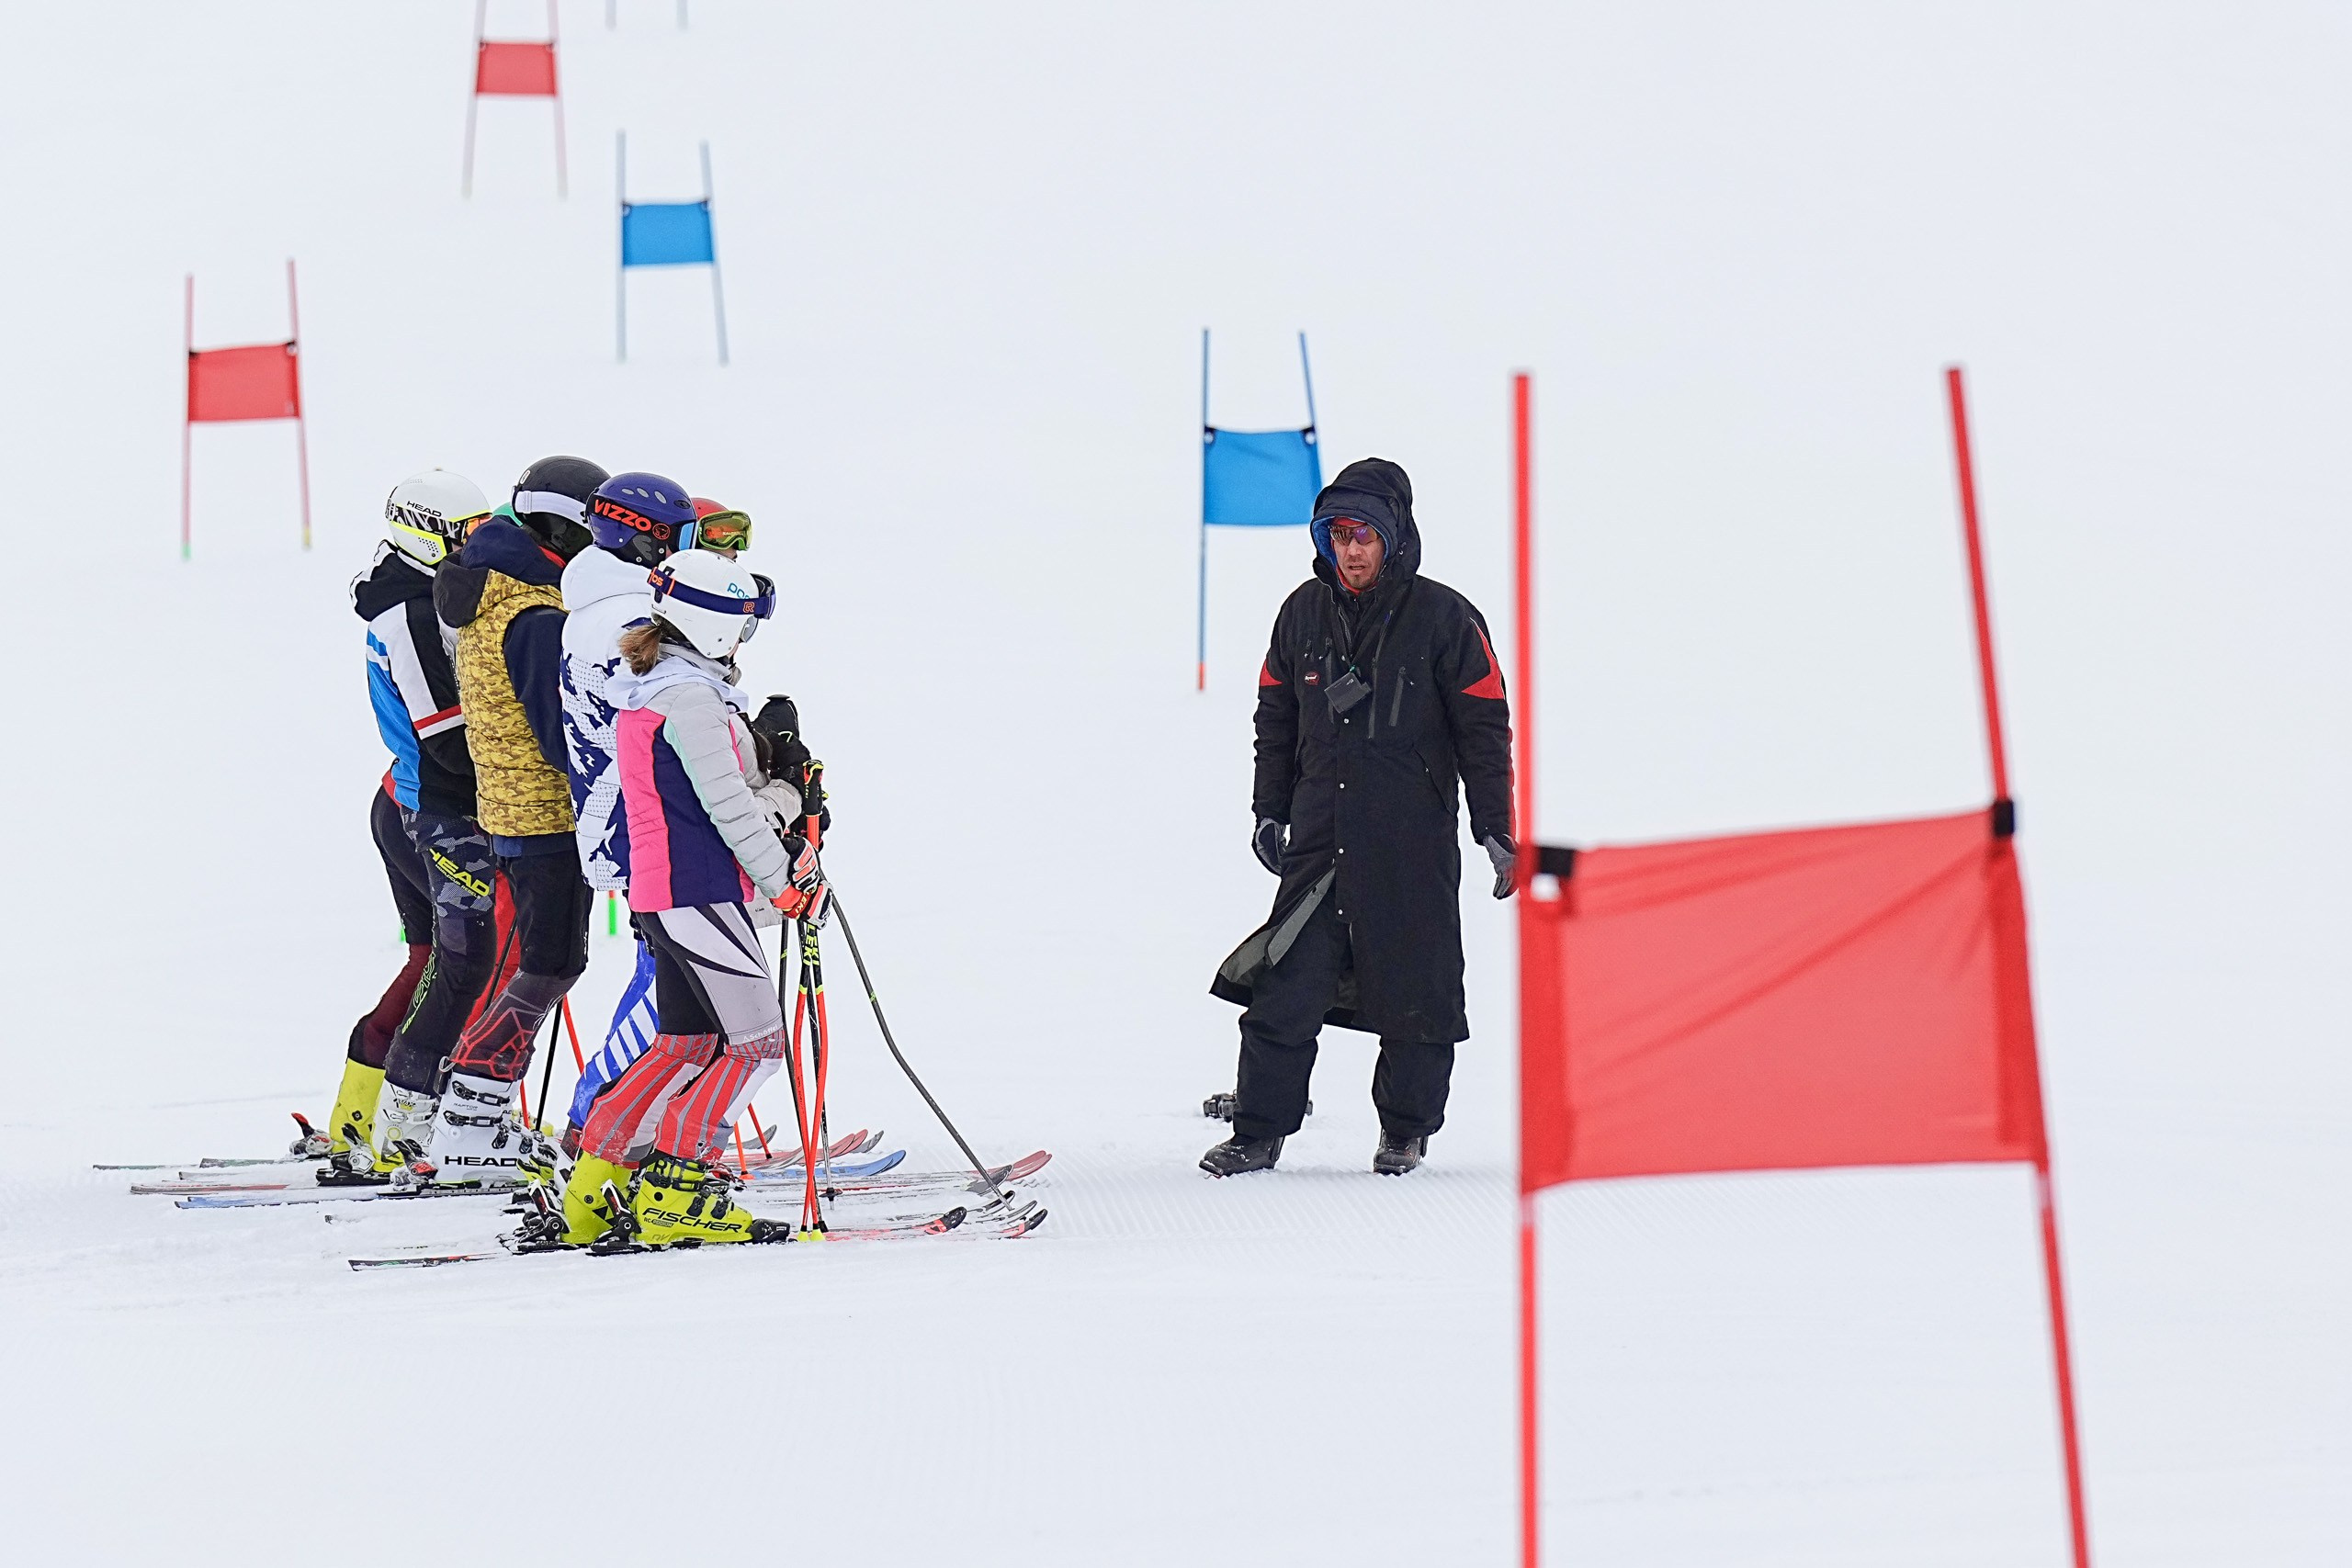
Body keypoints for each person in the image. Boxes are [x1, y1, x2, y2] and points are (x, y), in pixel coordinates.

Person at [1203, 457, 1516, 1178]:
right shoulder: (1299, 614)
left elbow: (1485, 728)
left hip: (1413, 843)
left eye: (1365, 534)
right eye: (1338, 533)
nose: (1351, 549)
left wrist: (1495, 829)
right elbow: (1274, 719)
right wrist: (1268, 809)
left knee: (1419, 995)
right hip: (1321, 841)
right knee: (1284, 988)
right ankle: (1258, 1130)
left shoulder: (1447, 619)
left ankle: (1405, 1131)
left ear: (1394, 537)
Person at [537, 548, 826, 1249]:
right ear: (714, 625)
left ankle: (591, 1186)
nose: (744, 640)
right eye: (742, 625)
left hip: (663, 891)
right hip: (697, 891)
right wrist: (787, 879)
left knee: (685, 1043)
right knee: (756, 1046)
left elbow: (716, 798)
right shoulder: (691, 699)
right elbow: (727, 809)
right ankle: (678, 1189)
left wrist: (786, 793)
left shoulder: (660, 684)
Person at [389, 459, 605, 1189]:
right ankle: (468, 1120)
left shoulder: (491, 590)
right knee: (548, 962)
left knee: (538, 961)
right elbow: (556, 728)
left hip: (512, 809)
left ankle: (469, 1113)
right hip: (542, 811)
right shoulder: (534, 612)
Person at [312, 471, 513, 1177]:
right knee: (465, 962)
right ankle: (404, 1116)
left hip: (409, 800)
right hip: (436, 806)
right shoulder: (410, 611)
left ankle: (359, 1113)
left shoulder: (423, 593)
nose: (481, 546)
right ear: (426, 534)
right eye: (469, 534)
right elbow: (445, 734)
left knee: (435, 961)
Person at [554, 471, 695, 1152]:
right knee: (672, 975)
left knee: (665, 968)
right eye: (681, 539)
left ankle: (626, 1114)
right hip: (640, 820)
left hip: (625, 817)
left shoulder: (601, 605)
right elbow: (664, 717)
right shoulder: (622, 619)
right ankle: (599, 1114)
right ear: (644, 540)